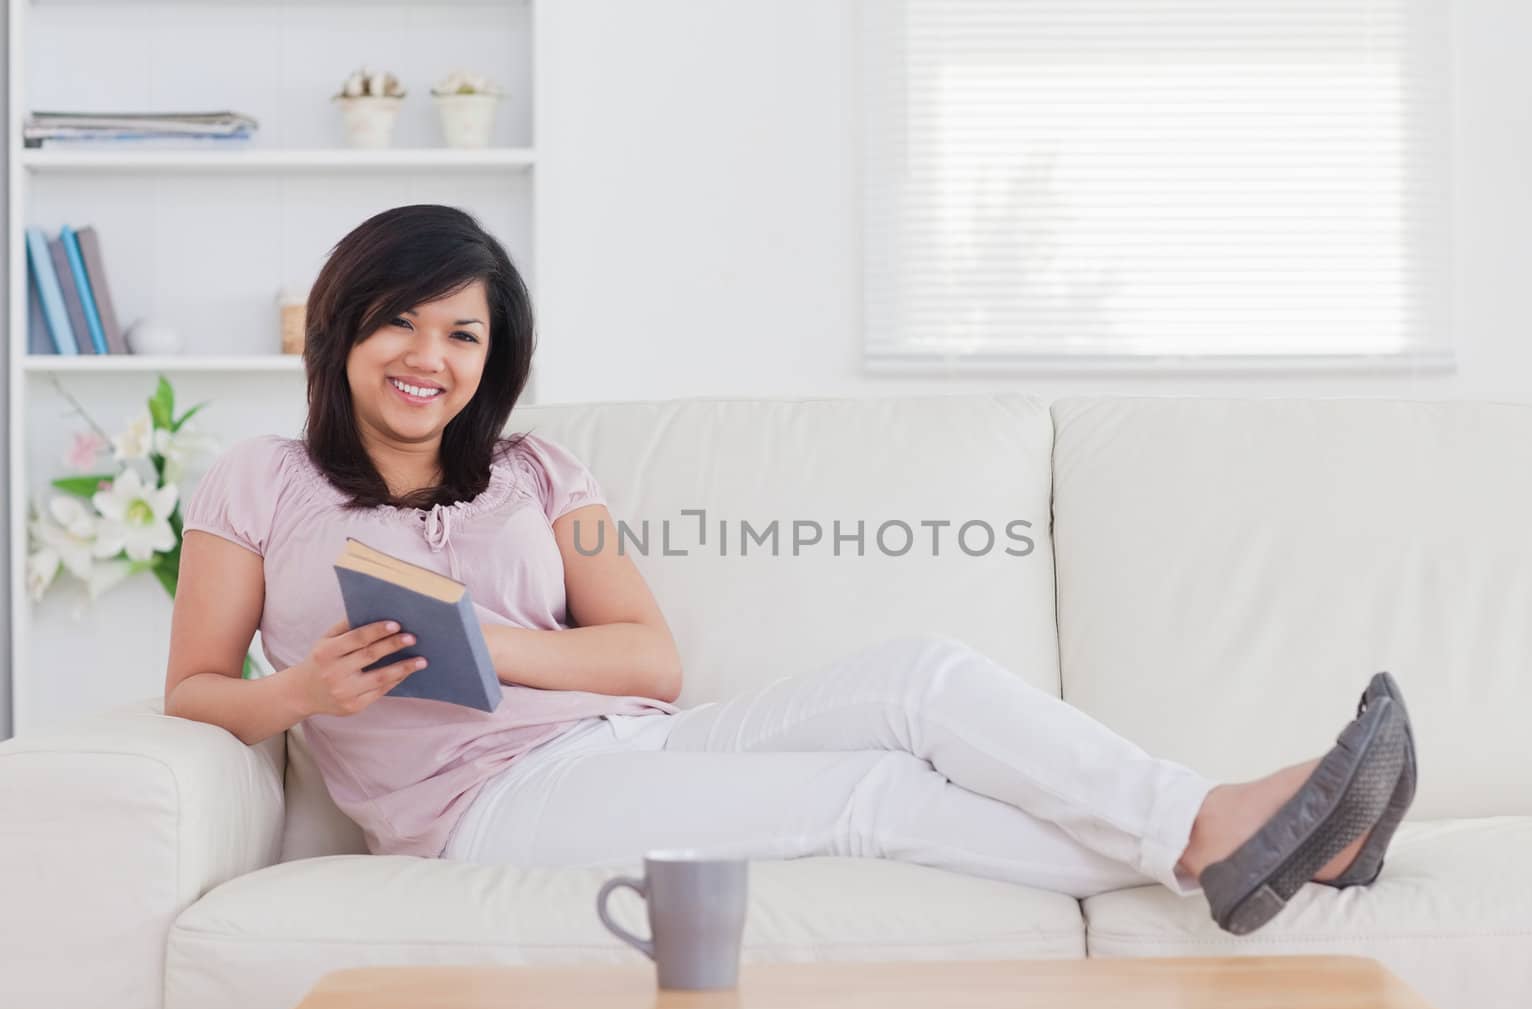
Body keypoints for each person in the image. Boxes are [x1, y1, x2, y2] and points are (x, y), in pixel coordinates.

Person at [166, 204, 1416, 937]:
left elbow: (645, 655)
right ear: (342, 324)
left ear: (494, 357)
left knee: (920, 678)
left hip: (632, 740)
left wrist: (493, 646)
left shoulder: (545, 471)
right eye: (401, 320)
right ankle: (1236, 833)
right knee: (865, 795)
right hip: (481, 810)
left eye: (463, 332)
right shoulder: (257, 481)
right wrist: (300, 698)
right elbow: (196, 685)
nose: (427, 355)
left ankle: (1221, 831)